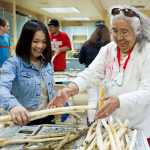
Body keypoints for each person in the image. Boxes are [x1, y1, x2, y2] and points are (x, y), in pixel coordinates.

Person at [48, 5, 150, 144]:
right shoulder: (108, 50)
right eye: (114, 31)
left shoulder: (146, 52)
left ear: (137, 31)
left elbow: (147, 91)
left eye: (125, 32)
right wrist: (70, 89)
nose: (119, 37)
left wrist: (119, 101)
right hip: (112, 127)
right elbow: (90, 73)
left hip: (139, 127)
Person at [0, 19, 56, 125]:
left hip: (48, 118)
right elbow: (1, 87)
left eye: (44, 42)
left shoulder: (47, 64)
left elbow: (48, 91)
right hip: (24, 122)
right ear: (26, 41)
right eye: (35, 41)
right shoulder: (13, 63)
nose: (40, 46)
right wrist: (13, 106)